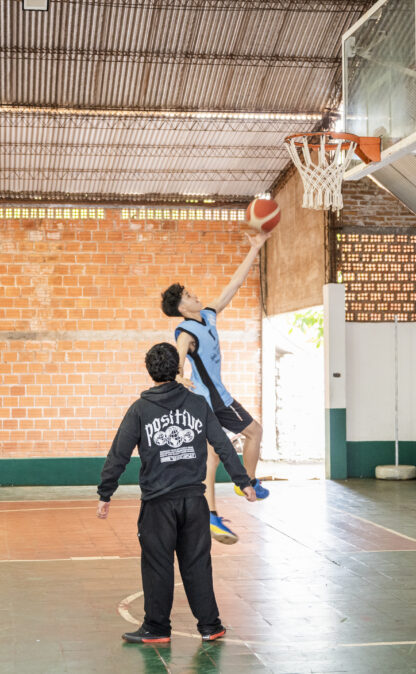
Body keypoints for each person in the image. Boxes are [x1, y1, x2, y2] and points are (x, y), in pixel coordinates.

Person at [97, 342, 256, 644]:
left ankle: (156, 629)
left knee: (158, 564)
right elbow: (223, 444)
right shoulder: (198, 405)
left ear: (149, 372)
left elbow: (118, 454)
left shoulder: (140, 409)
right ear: (178, 369)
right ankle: (210, 626)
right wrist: (243, 481)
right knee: (197, 564)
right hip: (195, 502)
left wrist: (106, 494)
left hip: (158, 505)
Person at [161, 230, 272, 545]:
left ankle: (245, 481)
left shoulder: (208, 314)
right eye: (188, 295)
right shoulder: (185, 331)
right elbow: (178, 358)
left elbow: (233, 285)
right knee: (211, 456)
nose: (194, 295)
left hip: (222, 397)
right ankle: (211, 516)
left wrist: (256, 248)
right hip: (202, 402)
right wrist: (179, 376)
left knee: (255, 432)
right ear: (182, 308)